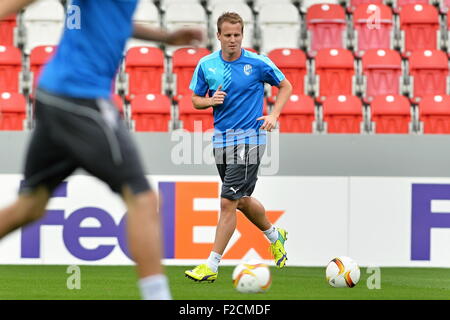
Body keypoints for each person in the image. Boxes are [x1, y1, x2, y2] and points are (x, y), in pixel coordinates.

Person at [0, 0, 204, 300]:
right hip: (79, 98)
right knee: (144, 199)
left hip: (56, 95)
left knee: (30, 205)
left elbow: (117, 22)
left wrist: (166, 38)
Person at [185, 12, 292, 282]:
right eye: (228, 35)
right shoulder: (206, 64)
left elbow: (285, 85)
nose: (233, 40)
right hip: (220, 141)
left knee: (227, 202)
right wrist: (210, 102)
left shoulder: (256, 62)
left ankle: (211, 265)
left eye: (237, 35)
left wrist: (274, 115)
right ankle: (274, 235)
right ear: (218, 36)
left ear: (242, 35)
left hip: (250, 140)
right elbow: (196, 100)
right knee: (240, 201)